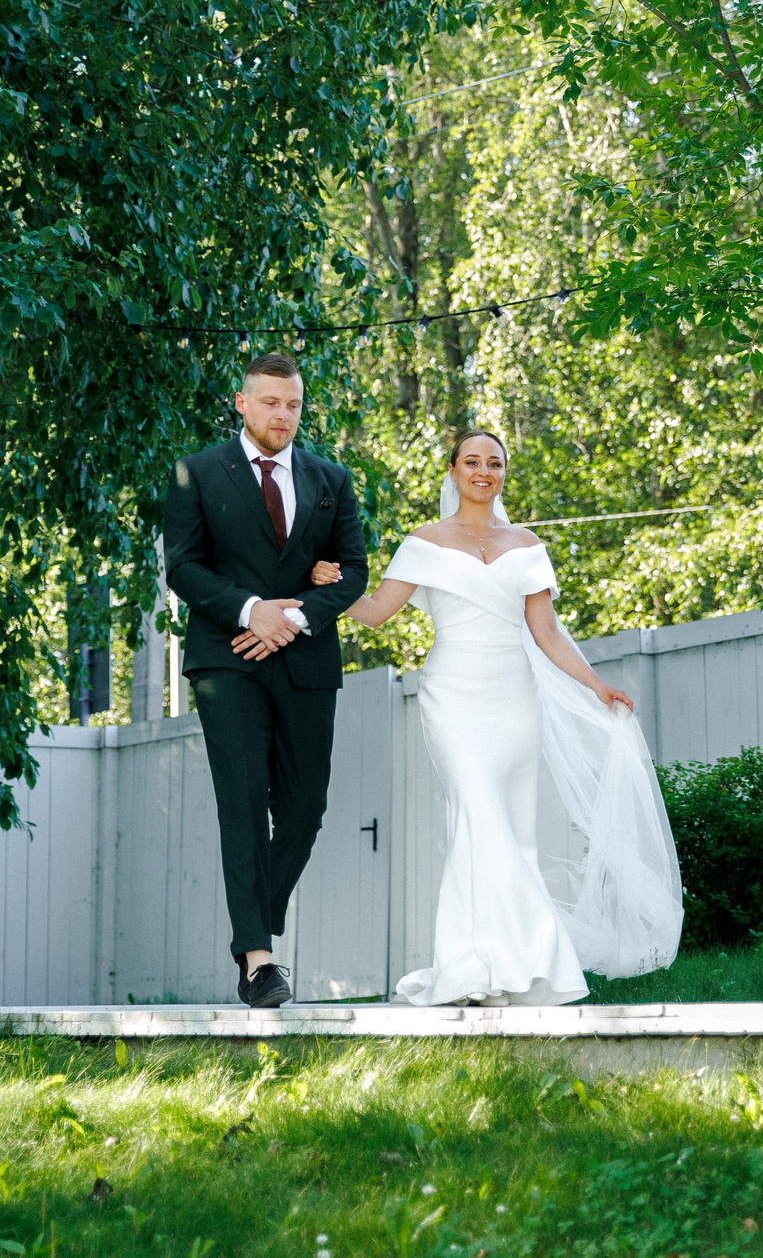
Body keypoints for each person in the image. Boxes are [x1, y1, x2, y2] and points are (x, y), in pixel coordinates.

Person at [322, 430, 680, 1005]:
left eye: (494, 462)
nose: (483, 471)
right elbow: (377, 614)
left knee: (512, 829)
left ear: (503, 473)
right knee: (478, 815)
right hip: (453, 695)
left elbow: (547, 632)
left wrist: (596, 686)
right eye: (472, 462)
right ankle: (484, 967)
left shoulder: (527, 544)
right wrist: (333, 585)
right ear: (452, 470)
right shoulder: (424, 541)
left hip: (515, 695)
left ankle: (501, 969)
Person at [161, 352, 369, 1008]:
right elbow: (184, 570)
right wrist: (254, 611)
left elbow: (356, 572)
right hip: (229, 660)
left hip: (306, 661)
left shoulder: (331, 479)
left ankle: (256, 915)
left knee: (305, 810)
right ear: (242, 402)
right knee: (244, 801)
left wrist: (298, 614)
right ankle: (258, 960)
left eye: (293, 404)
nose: (283, 414)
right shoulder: (195, 473)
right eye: (271, 402)